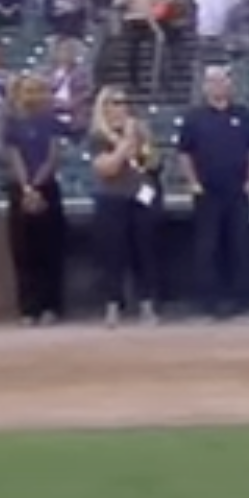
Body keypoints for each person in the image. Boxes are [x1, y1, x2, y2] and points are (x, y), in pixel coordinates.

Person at [177, 66, 249, 320]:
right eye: (212, 81)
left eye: (221, 81)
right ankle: (208, 304)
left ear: (229, 85)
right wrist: (193, 182)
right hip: (207, 192)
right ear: (205, 87)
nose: (217, 86)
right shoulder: (194, 117)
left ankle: (242, 303)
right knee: (207, 248)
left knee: (240, 246)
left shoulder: (244, 115)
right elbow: (184, 153)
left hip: (238, 191)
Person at [87, 86, 164, 327]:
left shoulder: (141, 130)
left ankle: (147, 304)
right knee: (113, 254)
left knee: (145, 251)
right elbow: (106, 168)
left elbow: (153, 161)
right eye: (114, 102)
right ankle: (113, 305)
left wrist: (143, 145)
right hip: (111, 198)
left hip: (141, 197)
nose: (121, 107)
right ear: (104, 106)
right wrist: (124, 143)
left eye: (124, 102)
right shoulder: (99, 136)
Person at [0, 75, 68, 326]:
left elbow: (53, 156)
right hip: (20, 188)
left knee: (51, 250)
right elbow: (13, 155)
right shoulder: (12, 124)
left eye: (38, 91)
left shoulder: (52, 122)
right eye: (28, 91)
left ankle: (52, 306)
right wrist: (26, 187)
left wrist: (37, 185)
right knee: (23, 251)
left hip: (47, 188)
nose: (33, 96)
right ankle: (28, 308)